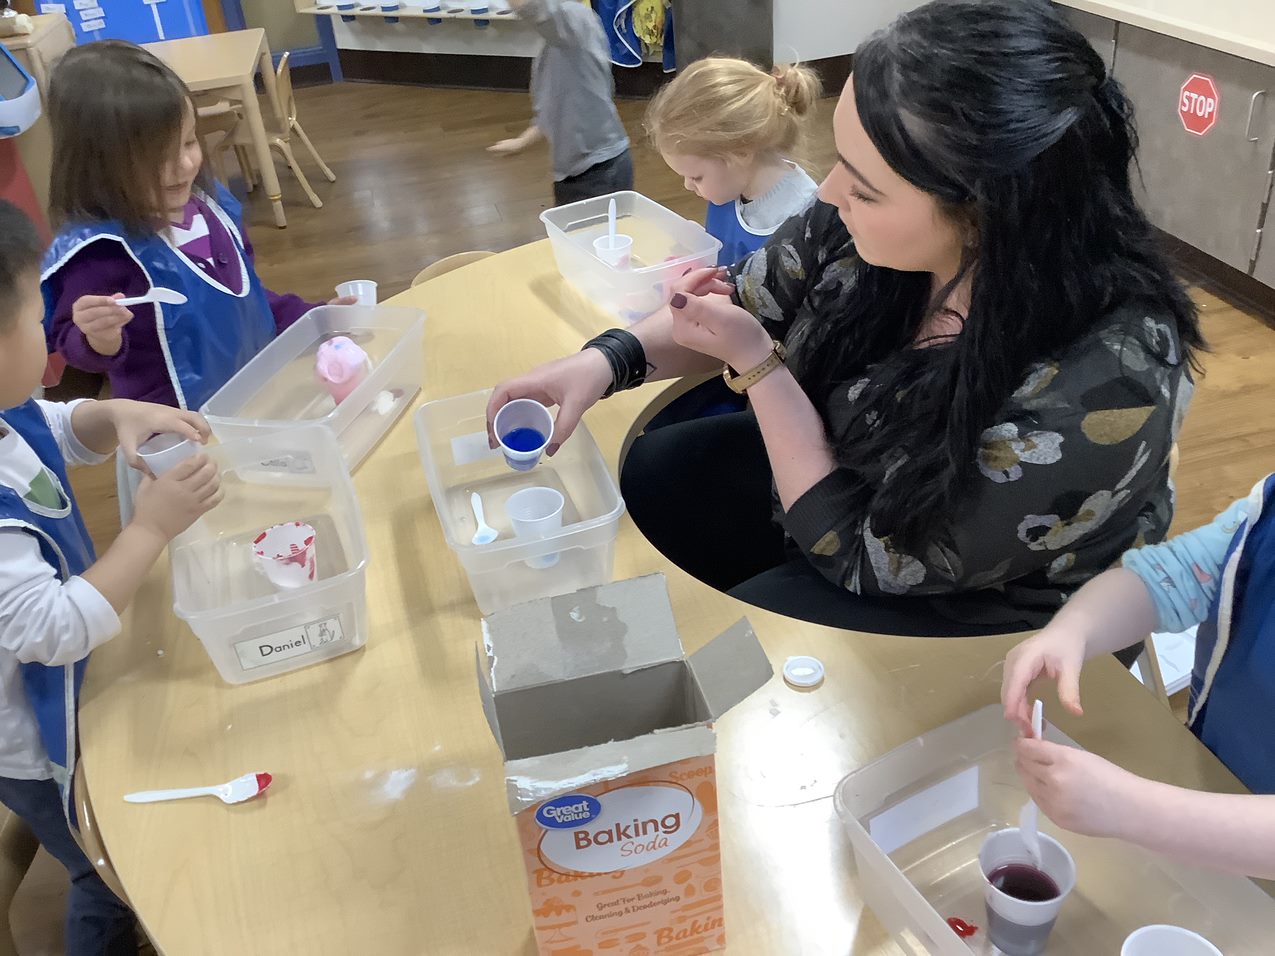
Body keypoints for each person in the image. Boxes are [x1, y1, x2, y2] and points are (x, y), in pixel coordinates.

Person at [487, 0, 1204, 637]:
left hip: (972, 600)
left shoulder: (1107, 382)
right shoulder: (855, 230)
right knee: (656, 470)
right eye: (840, 162)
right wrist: (603, 361)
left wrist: (761, 368)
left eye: (863, 186)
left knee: (757, 640)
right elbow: (740, 301)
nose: (828, 192)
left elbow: (868, 556)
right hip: (853, 472)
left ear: (983, 215)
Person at [0, 200, 223, 953]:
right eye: (35, 321)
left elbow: (51, 423)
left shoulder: (4, 408)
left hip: (70, 690)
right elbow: (52, 630)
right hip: (35, 737)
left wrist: (114, 413)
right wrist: (151, 528)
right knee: (104, 871)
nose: (48, 337)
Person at [41, 41, 351, 414]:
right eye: (157, 158)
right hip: (180, 439)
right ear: (97, 165)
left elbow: (246, 300)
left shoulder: (209, 207)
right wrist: (99, 338)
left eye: (189, 142)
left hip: (257, 403)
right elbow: (71, 343)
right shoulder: (97, 252)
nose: (185, 165)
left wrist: (313, 318)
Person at [1001, 473, 1275, 879]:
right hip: (1212, 792)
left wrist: (1133, 808)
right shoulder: (1264, 519)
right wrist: (1072, 630)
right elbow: (1166, 577)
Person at [646, 57, 821, 267]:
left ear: (740, 153)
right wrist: (701, 243)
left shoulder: (801, 220)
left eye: (696, 177)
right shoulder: (732, 183)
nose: (688, 185)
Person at [488, 0, 634, 205]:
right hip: (576, 173)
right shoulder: (558, 47)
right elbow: (552, 110)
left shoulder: (577, 20)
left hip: (600, 172)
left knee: (591, 236)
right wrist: (521, 142)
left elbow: (535, 9)